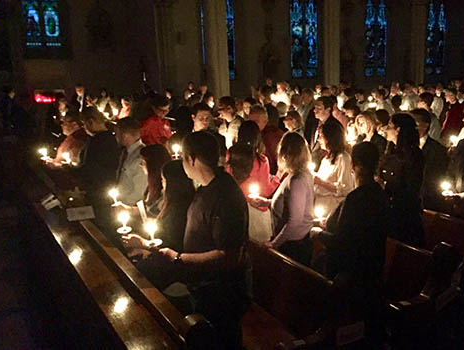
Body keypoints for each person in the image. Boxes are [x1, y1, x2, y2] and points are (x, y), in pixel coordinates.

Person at [123, 131, 250, 349]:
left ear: (191, 158)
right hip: (204, 285)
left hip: (221, 292)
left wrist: (179, 258)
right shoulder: (207, 188)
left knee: (222, 342)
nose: (181, 162)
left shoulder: (225, 196)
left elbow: (228, 256)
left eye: (182, 158)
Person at [313, 141, 387, 343]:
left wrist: (318, 233)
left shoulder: (357, 199)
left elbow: (342, 242)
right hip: (372, 271)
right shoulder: (380, 195)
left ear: (354, 166)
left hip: (350, 276)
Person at [252, 132, 315, 265]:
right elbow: (290, 205)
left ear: (285, 154)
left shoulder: (297, 180)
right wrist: (267, 202)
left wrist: (274, 244)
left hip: (292, 245)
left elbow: (294, 221)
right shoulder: (298, 175)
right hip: (292, 241)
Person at [379, 113, 424, 246]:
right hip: (389, 208)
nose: (385, 129)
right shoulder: (391, 150)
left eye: (389, 126)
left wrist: (388, 186)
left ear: (398, 130)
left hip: (403, 213)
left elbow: (411, 186)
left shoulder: (413, 154)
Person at [72, 107, 120, 199]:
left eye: (84, 124)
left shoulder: (98, 141)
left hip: (97, 190)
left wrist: (67, 169)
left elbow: (90, 168)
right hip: (103, 187)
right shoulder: (110, 138)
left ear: (91, 122)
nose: (84, 128)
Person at [410, 109, 448, 212]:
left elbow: (436, 177)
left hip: (427, 201)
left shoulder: (437, 150)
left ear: (425, 125)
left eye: (415, 123)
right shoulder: (404, 147)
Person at [314, 120, 355, 215]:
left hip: (332, 210)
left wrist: (320, 182)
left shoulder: (343, 158)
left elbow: (346, 188)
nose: (318, 139)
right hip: (321, 207)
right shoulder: (325, 160)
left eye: (321, 136)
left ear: (329, 138)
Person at [114, 117, 148, 205]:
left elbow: (139, 191)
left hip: (129, 207)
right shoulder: (125, 153)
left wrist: (125, 205)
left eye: (116, 134)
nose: (115, 137)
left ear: (125, 136)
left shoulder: (141, 157)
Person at [248, 105, 284, 175]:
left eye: (256, 122)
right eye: (251, 122)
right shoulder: (251, 135)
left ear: (265, 121)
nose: (253, 125)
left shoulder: (273, 135)